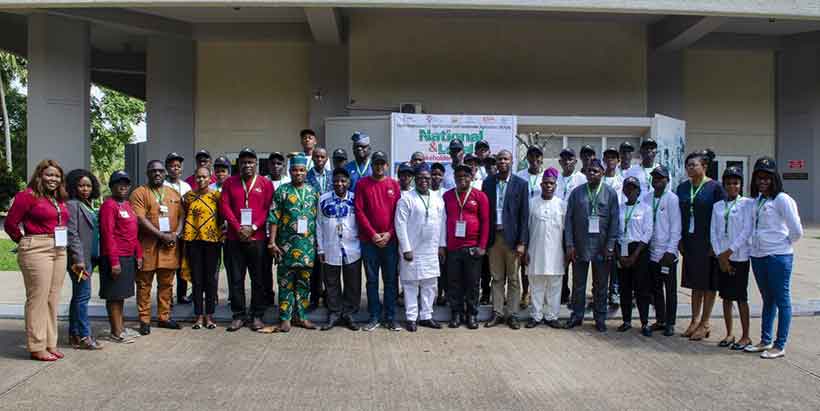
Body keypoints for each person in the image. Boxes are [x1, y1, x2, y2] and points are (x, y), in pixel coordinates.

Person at [4, 160, 70, 361]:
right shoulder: (27, 196)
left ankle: (50, 343)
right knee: (38, 298)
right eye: (49, 175)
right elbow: (10, 224)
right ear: (39, 175)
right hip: (37, 247)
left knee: (52, 298)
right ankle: (36, 345)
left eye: (57, 176)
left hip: (59, 247)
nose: (53, 179)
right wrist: (25, 241)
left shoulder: (57, 198)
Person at [744, 157, 803, 359]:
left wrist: (782, 243)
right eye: (759, 177)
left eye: (767, 177)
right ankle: (765, 340)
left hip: (778, 257)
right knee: (767, 300)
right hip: (758, 256)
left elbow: (797, 230)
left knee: (782, 300)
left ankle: (780, 345)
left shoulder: (782, 199)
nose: (763, 181)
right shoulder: (758, 200)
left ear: (774, 178)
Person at [220, 148, 275, 332]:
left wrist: (252, 228)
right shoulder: (229, 183)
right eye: (243, 162)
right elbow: (225, 207)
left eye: (251, 162)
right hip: (234, 239)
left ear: (256, 164)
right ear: (239, 164)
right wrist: (238, 228)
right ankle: (238, 315)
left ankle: (257, 315)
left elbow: (268, 209)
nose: (247, 165)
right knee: (236, 279)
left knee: (258, 279)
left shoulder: (265, 183)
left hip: (257, 238)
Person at [564, 158, 619, 332]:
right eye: (589, 171)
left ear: (602, 173)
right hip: (580, 245)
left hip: (602, 246)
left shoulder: (610, 193)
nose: (592, 173)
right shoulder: (576, 193)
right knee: (578, 284)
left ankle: (600, 317)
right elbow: (569, 220)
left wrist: (610, 245)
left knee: (600, 285)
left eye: (596, 171)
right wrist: (570, 244)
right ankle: (577, 315)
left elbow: (615, 221)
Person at [130, 160, 185, 335]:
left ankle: (164, 317)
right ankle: (144, 320)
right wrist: (162, 235)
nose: (157, 174)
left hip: (169, 247)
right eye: (153, 171)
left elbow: (183, 216)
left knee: (166, 285)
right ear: (147, 173)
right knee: (144, 285)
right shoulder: (139, 193)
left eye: (160, 171)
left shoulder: (174, 193)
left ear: (165, 173)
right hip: (148, 247)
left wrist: (175, 234)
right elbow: (140, 219)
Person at [677, 151, 726, 341]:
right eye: (688, 165)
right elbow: (678, 216)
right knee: (694, 283)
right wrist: (680, 239)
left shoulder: (715, 188)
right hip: (690, 241)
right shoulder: (682, 188)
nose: (690, 168)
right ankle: (694, 320)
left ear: (704, 167)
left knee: (708, 283)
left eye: (694, 165)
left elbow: (722, 217)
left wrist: (718, 244)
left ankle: (705, 322)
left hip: (708, 242)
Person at [267, 155, 320, 332]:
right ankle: (285, 318)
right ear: (290, 172)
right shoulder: (282, 191)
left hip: (307, 246)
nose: (298, 173)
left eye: (301, 170)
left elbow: (319, 220)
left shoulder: (314, 192)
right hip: (285, 246)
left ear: (306, 172)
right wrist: (272, 242)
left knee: (304, 284)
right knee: (285, 283)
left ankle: (301, 317)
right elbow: (274, 217)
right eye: (295, 170)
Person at [355, 150, 401, 331]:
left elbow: (398, 213)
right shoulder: (362, 184)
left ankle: (390, 316)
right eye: (376, 163)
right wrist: (373, 234)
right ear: (372, 164)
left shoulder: (394, 184)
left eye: (382, 163)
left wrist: (389, 233)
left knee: (390, 280)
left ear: (387, 166)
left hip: (390, 241)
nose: (379, 166)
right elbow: (359, 211)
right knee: (372, 280)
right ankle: (374, 316)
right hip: (369, 242)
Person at [395, 163, 445, 332]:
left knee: (430, 284)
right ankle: (411, 317)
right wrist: (406, 248)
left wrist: (442, 245)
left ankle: (426, 316)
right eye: (420, 178)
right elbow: (400, 225)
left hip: (431, 249)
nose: (424, 181)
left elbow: (442, 223)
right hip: (412, 249)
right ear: (415, 179)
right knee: (410, 284)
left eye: (427, 178)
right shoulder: (406, 198)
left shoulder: (437, 198)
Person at [482, 149, 528, 330]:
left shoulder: (521, 184)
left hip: (513, 239)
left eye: (506, 159)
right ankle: (498, 312)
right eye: (499, 159)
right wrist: (484, 240)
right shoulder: (488, 183)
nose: (502, 162)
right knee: (497, 277)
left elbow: (524, 216)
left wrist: (522, 242)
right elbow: (484, 215)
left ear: (511, 161)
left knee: (514, 278)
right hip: (494, 238)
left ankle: (513, 314)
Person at [710, 166, 753, 350]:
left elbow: (746, 231)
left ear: (740, 185)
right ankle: (729, 333)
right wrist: (721, 255)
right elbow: (713, 232)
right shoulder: (718, 206)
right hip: (722, 258)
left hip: (739, 257)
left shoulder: (747, 204)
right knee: (726, 297)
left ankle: (745, 336)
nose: (732, 186)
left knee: (740, 297)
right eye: (728, 183)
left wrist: (729, 252)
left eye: (735, 183)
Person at [442, 165, 490, 329]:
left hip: (473, 247)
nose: (462, 178)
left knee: (472, 283)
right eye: (459, 175)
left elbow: (485, 222)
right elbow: (442, 221)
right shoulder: (447, 196)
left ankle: (471, 315)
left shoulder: (480, 196)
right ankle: (456, 313)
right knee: (454, 282)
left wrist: (482, 246)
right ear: (454, 178)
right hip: (453, 247)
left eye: (466, 175)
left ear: (472, 178)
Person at [99, 171, 143, 343]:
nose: (123, 186)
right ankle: (116, 332)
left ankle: (120, 328)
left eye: (126, 183)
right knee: (114, 296)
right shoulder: (109, 205)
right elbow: (107, 234)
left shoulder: (127, 205)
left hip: (128, 257)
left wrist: (138, 254)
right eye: (118, 183)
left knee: (121, 295)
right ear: (112, 186)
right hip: (114, 258)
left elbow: (133, 233)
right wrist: (114, 261)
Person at [317, 168, 362, 331]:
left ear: (349, 182)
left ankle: (349, 314)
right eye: (336, 180)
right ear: (332, 182)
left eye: (343, 180)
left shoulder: (355, 198)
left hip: (352, 248)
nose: (339, 184)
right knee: (331, 282)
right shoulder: (323, 199)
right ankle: (334, 313)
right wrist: (320, 249)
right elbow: (319, 225)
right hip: (331, 247)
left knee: (352, 283)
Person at [65, 169, 103, 350]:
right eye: (81, 185)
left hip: (91, 257)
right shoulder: (73, 204)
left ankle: (74, 333)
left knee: (79, 296)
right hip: (79, 260)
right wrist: (78, 259)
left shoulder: (87, 203)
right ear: (73, 186)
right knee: (83, 297)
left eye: (88, 185)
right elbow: (71, 233)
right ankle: (84, 336)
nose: (85, 189)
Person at [523, 167, 565, 329]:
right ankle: (536, 315)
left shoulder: (562, 204)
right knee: (536, 285)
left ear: (555, 186)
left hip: (556, 253)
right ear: (541, 185)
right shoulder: (531, 204)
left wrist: (568, 249)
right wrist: (525, 249)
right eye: (546, 183)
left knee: (554, 286)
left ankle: (552, 316)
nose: (548, 186)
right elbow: (525, 229)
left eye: (551, 184)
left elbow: (566, 230)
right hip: (535, 251)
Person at [644, 166, 681, 337]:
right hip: (651, 251)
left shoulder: (672, 199)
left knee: (670, 290)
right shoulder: (646, 198)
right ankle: (660, 320)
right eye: (655, 178)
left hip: (667, 253)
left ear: (667, 180)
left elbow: (676, 227)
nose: (657, 180)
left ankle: (670, 322)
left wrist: (671, 251)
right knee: (656, 289)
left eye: (661, 178)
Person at [183, 166, 222, 330]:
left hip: (212, 241)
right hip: (194, 241)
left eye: (204, 177)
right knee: (197, 280)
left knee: (210, 280)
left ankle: (210, 316)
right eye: (198, 177)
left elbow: (222, 216)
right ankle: (198, 316)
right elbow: (184, 214)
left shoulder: (216, 196)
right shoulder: (188, 197)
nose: (201, 180)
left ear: (210, 178)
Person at [615, 177, 653, 336]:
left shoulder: (646, 208)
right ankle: (626, 320)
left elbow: (648, 232)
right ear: (623, 190)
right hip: (623, 248)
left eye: (634, 188)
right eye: (628, 188)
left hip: (639, 250)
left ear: (638, 191)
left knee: (641, 288)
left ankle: (644, 322)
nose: (630, 191)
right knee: (625, 287)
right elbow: (615, 233)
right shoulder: (619, 208)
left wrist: (634, 255)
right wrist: (619, 256)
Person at [556, 147, 586, 303]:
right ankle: (562, 293)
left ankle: (577, 296)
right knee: (562, 262)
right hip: (559, 227)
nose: (567, 161)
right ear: (560, 162)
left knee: (577, 262)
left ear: (575, 161)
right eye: (564, 159)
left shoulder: (582, 179)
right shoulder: (556, 178)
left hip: (576, 228)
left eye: (570, 158)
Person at [516, 145, 543, 310]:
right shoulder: (520, 176)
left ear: (541, 158)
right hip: (524, 222)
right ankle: (525, 292)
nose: (534, 159)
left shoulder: (547, 176)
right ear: (527, 158)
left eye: (537, 156)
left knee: (539, 258)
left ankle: (538, 293)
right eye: (531, 156)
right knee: (525, 259)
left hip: (540, 222)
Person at [164, 152, 192, 305]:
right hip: (168, 231)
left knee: (183, 263)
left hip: (184, 231)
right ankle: (167, 297)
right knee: (169, 264)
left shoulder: (186, 186)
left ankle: (182, 295)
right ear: (167, 168)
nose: (175, 169)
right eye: (172, 166)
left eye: (178, 166)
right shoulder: (162, 186)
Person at [306, 146, 331, 310]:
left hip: (330, 225)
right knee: (315, 264)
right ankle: (314, 298)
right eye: (316, 157)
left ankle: (330, 297)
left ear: (326, 158)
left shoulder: (332, 176)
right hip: (311, 223)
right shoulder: (306, 176)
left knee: (329, 263)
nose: (319, 160)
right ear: (312, 159)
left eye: (322, 157)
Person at [602, 146, 624, 306]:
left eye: (613, 157)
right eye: (607, 157)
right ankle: (601, 292)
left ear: (618, 161)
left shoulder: (622, 180)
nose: (610, 160)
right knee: (601, 261)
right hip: (600, 225)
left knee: (615, 260)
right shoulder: (599, 178)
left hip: (616, 225)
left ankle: (614, 291)